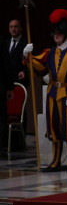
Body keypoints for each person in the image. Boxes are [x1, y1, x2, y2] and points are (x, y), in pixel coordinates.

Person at [23, 9, 67, 173]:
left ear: (65, 34)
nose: (56, 37)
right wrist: (27, 55)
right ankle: (55, 160)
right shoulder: (50, 52)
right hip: (52, 93)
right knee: (54, 128)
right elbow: (38, 66)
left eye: (59, 34)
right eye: (55, 34)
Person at [1, 19, 27, 149]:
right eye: (11, 27)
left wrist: (25, 71)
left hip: (19, 80)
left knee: (20, 111)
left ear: (20, 28)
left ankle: (20, 142)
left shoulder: (26, 44)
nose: (13, 29)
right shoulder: (5, 43)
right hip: (8, 81)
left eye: (16, 27)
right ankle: (7, 142)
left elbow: (29, 61)